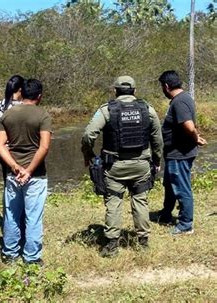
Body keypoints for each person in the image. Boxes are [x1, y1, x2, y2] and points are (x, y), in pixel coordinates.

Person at [81, 76, 163, 257]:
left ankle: (111, 245)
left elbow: (88, 135)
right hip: (141, 165)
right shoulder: (147, 109)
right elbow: (157, 139)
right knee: (140, 200)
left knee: (114, 201)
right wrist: (157, 161)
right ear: (134, 91)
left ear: (115, 91)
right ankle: (142, 242)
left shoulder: (107, 110)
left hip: (114, 167)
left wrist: (88, 154)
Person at [0, 79, 51, 265]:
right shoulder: (43, 115)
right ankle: (32, 258)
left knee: (11, 214)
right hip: (35, 175)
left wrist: (14, 167)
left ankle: (10, 254)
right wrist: (28, 171)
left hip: (13, 175)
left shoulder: (8, 114)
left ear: (22, 93)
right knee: (33, 217)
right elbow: (43, 147)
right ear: (39, 96)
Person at [156, 70, 207, 235]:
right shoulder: (182, 99)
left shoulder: (179, 102)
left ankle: (186, 224)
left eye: (162, 87)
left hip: (180, 154)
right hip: (175, 153)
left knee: (181, 187)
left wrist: (196, 137)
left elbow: (188, 125)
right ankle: (165, 214)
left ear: (166, 86)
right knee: (170, 185)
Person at [0, 75, 24, 182]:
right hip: (14, 148)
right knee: (18, 179)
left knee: (7, 179)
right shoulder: (21, 106)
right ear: (20, 89)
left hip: (1, 148)